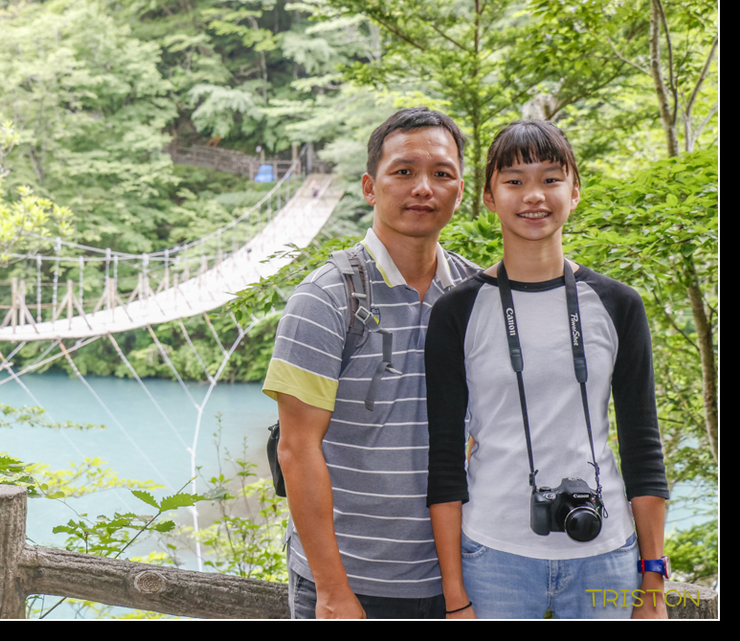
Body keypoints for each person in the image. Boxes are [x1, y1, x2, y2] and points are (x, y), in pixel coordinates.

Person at [425, 120, 670, 619]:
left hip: (605, 555)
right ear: (489, 197)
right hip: (493, 557)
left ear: (574, 192)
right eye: (514, 181)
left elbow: (643, 447)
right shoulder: (458, 311)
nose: (534, 195)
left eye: (551, 179)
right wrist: (455, 597)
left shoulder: (618, 304)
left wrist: (654, 583)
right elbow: (445, 462)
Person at [262, 107, 480, 619]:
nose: (422, 188)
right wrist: (332, 590)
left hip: (458, 579)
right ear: (369, 187)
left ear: (460, 192)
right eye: (403, 171)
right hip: (350, 582)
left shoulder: (477, 296)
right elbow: (296, 449)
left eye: (441, 173)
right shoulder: (327, 297)